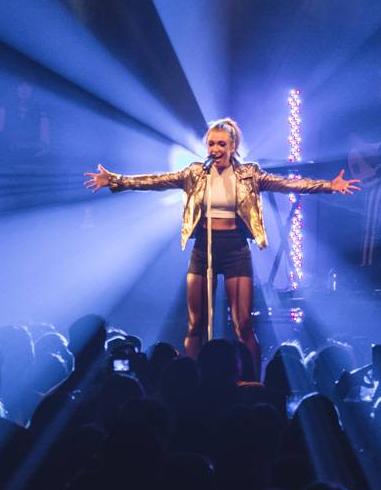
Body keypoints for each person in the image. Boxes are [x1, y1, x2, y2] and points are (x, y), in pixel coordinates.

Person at [85, 118, 359, 366]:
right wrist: (115, 180)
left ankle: (251, 379)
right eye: (211, 144)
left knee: (243, 324)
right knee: (195, 324)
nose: (215, 149)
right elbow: (155, 180)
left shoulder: (250, 174)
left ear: (233, 146)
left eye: (221, 144)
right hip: (203, 247)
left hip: (235, 248)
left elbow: (287, 184)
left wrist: (328, 186)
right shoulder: (195, 173)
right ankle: (190, 378)